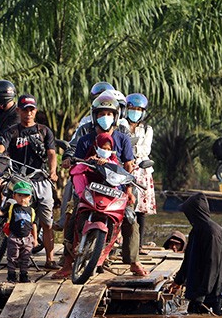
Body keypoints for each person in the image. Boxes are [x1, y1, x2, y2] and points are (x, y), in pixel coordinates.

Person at [52, 92, 147, 279]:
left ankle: (134, 261)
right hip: (89, 187)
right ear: (94, 116)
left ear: (116, 116)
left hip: (116, 188)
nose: (105, 118)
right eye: (101, 114)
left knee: (130, 219)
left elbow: (128, 165)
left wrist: (129, 191)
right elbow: (77, 161)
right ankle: (68, 263)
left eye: (109, 114)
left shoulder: (123, 139)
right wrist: (70, 161)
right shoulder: (85, 140)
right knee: (72, 215)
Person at [0, 94, 59, 269]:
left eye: (31, 110)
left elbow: (52, 153)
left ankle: (50, 259)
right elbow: (2, 145)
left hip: (41, 178)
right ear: (19, 111)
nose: (28, 113)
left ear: (35, 111)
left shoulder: (44, 131)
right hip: (19, 178)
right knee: (9, 207)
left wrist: (53, 171)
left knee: (47, 220)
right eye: (25, 110)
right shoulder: (12, 131)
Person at [172, 193, 222, 316]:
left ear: (195, 212)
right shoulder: (195, 231)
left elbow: (212, 266)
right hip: (203, 288)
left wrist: (201, 294)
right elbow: (188, 260)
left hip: (218, 291)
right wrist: (178, 281)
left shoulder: (212, 233)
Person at [125, 93, 157, 250]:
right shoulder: (120, 124)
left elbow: (146, 149)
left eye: (138, 109)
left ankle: (138, 246)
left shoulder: (147, 129)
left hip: (141, 170)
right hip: (124, 168)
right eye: (132, 108)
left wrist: (131, 148)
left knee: (141, 211)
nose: (135, 112)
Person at [4, 181, 37, 283]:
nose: (22, 198)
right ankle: (11, 275)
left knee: (25, 257)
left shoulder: (31, 210)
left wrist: (35, 239)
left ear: (30, 197)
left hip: (27, 237)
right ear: (14, 196)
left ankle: (24, 275)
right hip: (14, 236)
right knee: (12, 256)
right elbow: (2, 214)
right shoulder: (12, 207)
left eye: (26, 196)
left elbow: (33, 225)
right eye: (19, 195)